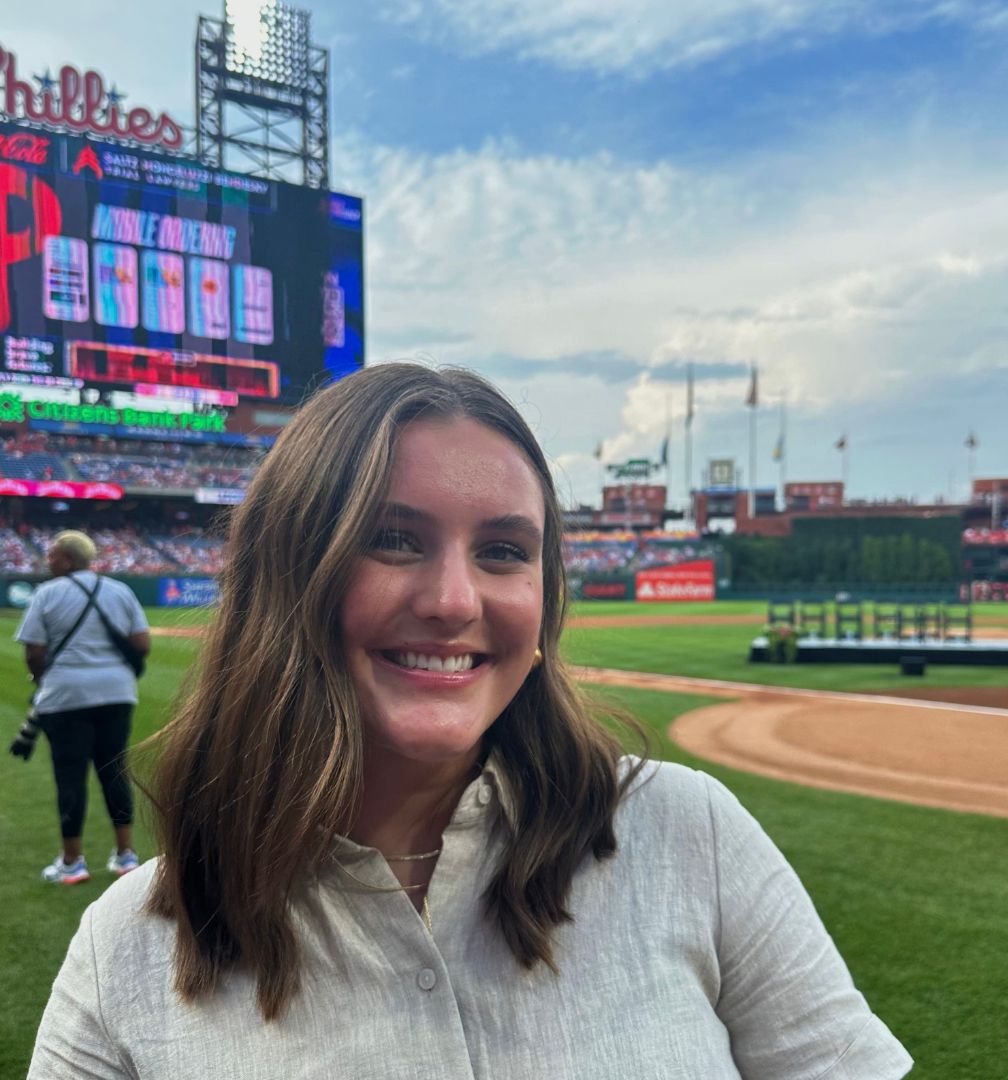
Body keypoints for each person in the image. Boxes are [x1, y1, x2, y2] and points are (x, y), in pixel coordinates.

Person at [28, 365, 912, 1078]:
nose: (456, 601)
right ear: (288, 573)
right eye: (395, 538)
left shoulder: (690, 834)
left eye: (502, 552)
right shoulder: (125, 954)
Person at [11, 529, 150, 885]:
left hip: (65, 696)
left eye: (53, 554)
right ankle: (126, 855)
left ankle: (73, 862)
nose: (47, 559)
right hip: (117, 692)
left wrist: (42, 678)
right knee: (114, 770)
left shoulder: (47, 594)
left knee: (70, 777)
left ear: (68, 559)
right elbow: (141, 642)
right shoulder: (120, 590)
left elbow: (34, 651)